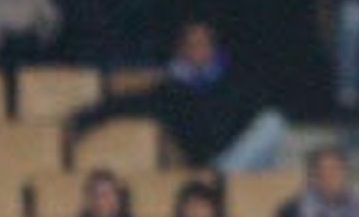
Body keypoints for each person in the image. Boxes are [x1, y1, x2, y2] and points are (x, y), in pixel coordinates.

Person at [67, 20, 287, 172]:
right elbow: (125, 104)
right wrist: (84, 119)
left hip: (237, 157)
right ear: (182, 50)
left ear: (213, 48)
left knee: (273, 123)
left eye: (204, 44)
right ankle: (224, 178)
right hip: (206, 163)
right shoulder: (170, 89)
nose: (198, 50)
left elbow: (258, 106)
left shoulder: (233, 81)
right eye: (192, 45)